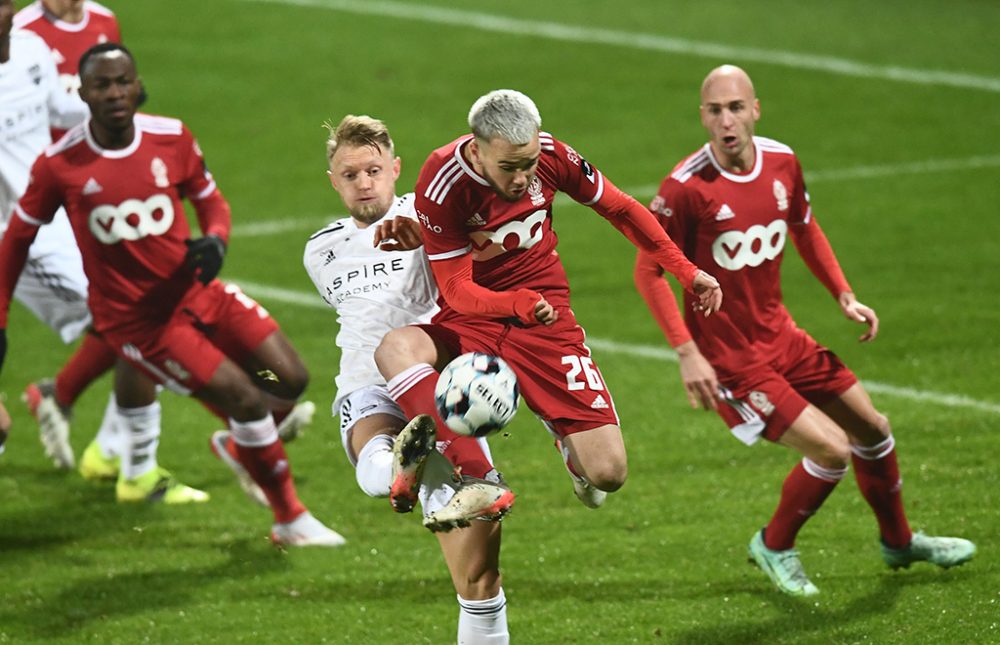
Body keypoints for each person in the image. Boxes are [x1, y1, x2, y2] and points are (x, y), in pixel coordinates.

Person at [634, 64, 976, 597]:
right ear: (702, 116)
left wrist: (843, 292)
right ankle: (774, 544)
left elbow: (804, 227)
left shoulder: (783, 162)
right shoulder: (685, 189)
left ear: (755, 109)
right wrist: (686, 352)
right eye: (715, 109)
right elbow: (647, 269)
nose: (726, 120)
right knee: (832, 450)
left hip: (784, 337)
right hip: (732, 358)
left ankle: (900, 542)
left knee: (874, 431)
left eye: (736, 107)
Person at [0, 42, 343, 545]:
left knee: (288, 378)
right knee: (245, 398)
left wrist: (216, 240)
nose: (116, 93)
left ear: (138, 87)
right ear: (83, 93)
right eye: (102, 84)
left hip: (201, 293)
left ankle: (242, 444)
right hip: (142, 326)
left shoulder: (171, 137)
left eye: (124, 82)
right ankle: (289, 518)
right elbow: (15, 241)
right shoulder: (61, 164)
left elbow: (212, 201)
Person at [372, 89, 722, 520]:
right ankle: (479, 477)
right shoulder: (444, 182)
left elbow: (623, 209)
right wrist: (514, 302)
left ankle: (565, 443)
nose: (522, 178)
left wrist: (687, 272)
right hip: (475, 314)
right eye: (508, 167)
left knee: (608, 474)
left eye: (529, 163)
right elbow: (458, 289)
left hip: (545, 315)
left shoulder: (555, 155)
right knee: (395, 349)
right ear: (478, 153)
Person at [304, 114, 516, 643]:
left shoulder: (431, 218)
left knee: (479, 579)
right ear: (333, 180)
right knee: (373, 446)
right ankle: (399, 466)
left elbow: (492, 236)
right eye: (349, 174)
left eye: (373, 170)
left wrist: (429, 231)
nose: (363, 183)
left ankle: (404, 462)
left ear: (395, 169)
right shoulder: (320, 249)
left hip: (438, 387)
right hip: (366, 382)